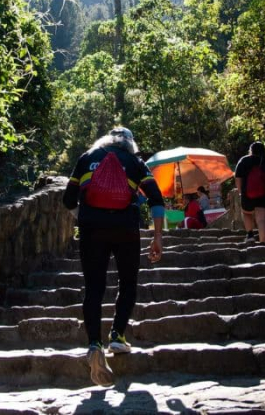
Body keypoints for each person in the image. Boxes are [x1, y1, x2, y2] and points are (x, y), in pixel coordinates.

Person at [62, 127, 165, 388]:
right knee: (128, 282)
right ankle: (118, 334)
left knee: (94, 288)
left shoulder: (86, 158)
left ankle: (94, 343)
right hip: (126, 229)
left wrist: (86, 216)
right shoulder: (135, 162)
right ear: (130, 143)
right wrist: (157, 237)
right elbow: (156, 198)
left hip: (91, 230)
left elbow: (67, 199)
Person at [234, 141, 265, 243]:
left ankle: (250, 235)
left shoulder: (243, 160)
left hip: (247, 194)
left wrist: (241, 192)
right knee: (262, 219)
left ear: (250, 150)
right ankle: (262, 243)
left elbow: (238, 178)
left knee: (247, 213)